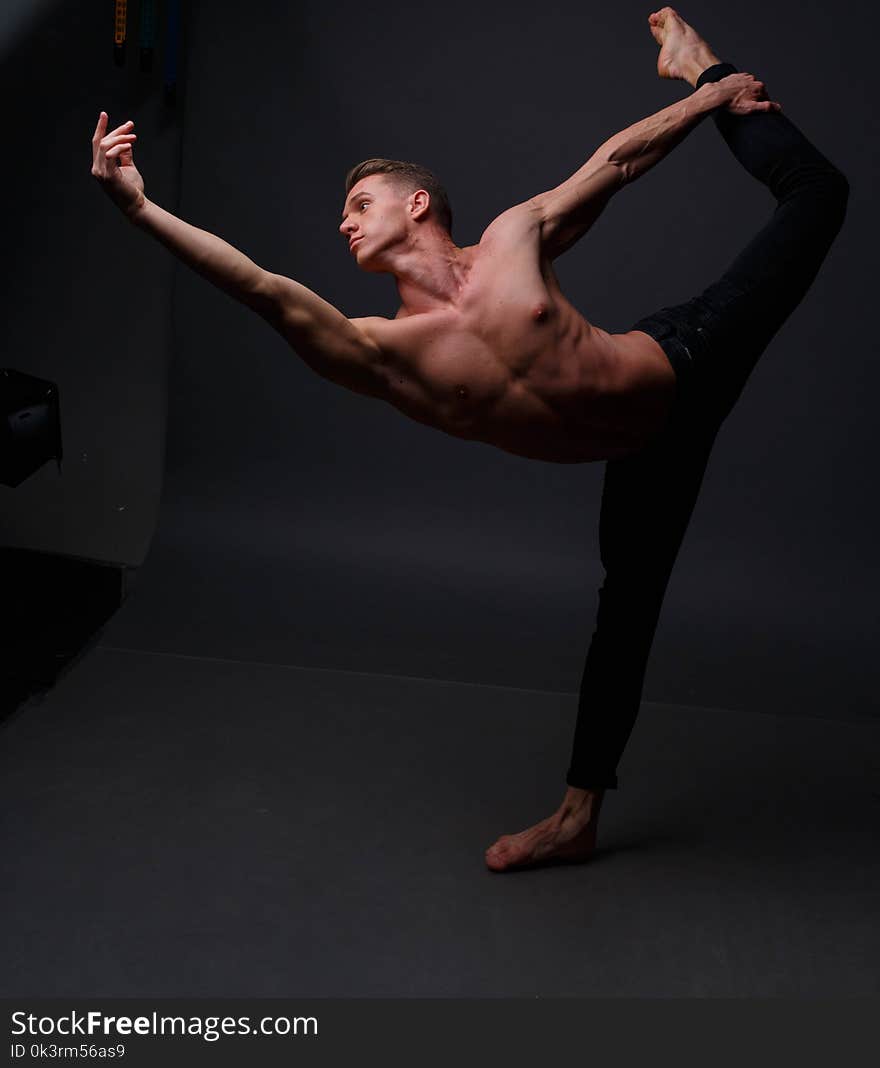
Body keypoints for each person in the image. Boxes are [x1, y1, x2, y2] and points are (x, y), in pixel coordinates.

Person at [92, 8, 848, 873]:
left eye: (359, 204)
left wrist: (712, 92)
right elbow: (264, 289)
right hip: (645, 452)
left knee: (821, 194)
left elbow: (619, 161)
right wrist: (142, 206)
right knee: (626, 609)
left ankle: (699, 59)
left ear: (417, 205)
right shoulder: (385, 352)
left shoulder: (514, 238)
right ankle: (577, 817)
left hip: (688, 354)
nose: (343, 222)